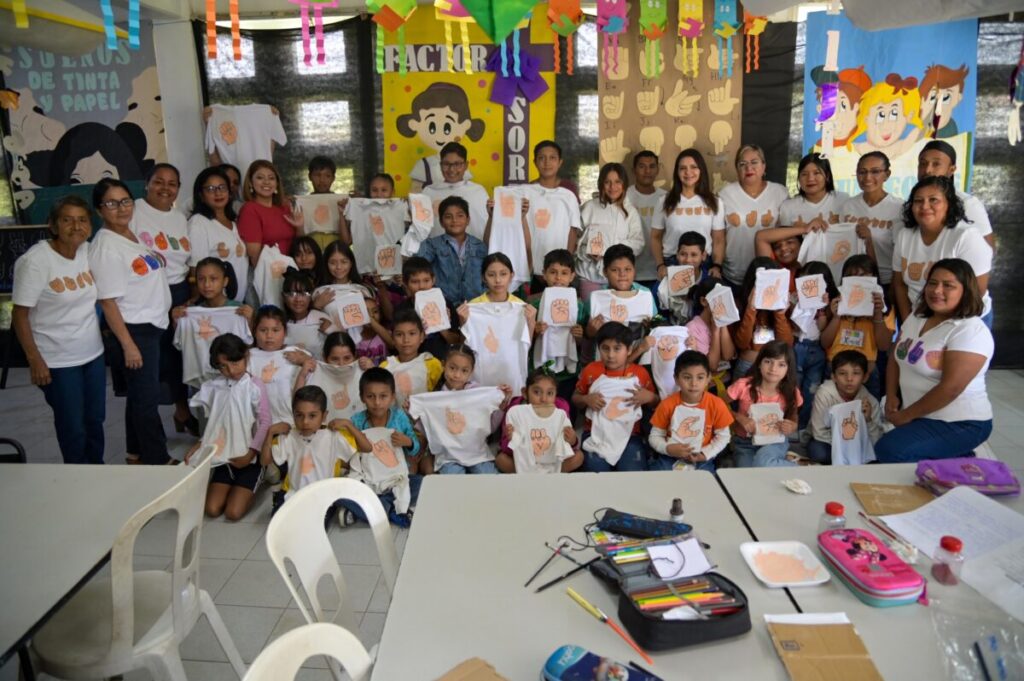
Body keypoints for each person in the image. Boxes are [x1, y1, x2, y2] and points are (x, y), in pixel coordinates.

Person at [12, 196, 105, 464]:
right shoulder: (36, 261)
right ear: (53, 225)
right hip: (58, 360)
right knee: (73, 427)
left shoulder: (87, 250)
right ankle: (77, 478)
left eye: (82, 220)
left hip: (92, 353)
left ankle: (97, 471)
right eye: (67, 220)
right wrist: (34, 359)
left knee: (95, 419)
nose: (76, 226)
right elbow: (20, 315)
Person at [89, 178, 173, 465]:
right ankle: (157, 460)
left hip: (149, 326)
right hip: (134, 331)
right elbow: (108, 301)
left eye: (125, 201)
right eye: (111, 203)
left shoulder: (128, 236)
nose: (121, 208)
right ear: (100, 209)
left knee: (139, 396)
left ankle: (135, 453)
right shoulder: (106, 247)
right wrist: (128, 345)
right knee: (147, 400)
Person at [877, 259, 993, 463]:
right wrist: (891, 395)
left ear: (965, 291)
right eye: (932, 283)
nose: (937, 290)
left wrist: (906, 416)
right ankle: (952, 457)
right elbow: (896, 357)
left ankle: (960, 459)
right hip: (922, 415)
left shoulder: (970, 330)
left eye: (948, 285)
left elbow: (951, 388)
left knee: (890, 449)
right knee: (887, 447)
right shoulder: (917, 317)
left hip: (960, 422)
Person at [130, 163, 193, 435]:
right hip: (146, 295)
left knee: (178, 358)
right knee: (149, 368)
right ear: (147, 183)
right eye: (159, 181)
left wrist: (190, 299)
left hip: (178, 292)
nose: (165, 188)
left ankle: (182, 411)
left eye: (172, 183)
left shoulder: (180, 218)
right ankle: (144, 434)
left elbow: (187, 261)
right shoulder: (133, 211)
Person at [185, 333, 271, 520]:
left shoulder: (255, 385)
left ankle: (259, 475)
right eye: (223, 366)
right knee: (213, 509)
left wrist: (251, 453)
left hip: (249, 458)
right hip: (225, 458)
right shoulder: (215, 386)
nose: (231, 371)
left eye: (235, 363)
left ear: (246, 357)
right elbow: (215, 422)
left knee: (233, 513)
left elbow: (265, 422)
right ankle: (226, 479)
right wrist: (200, 445)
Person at [892, 176, 992, 327]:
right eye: (918, 201)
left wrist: (938, 328)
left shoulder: (966, 237)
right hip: (918, 319)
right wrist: (908, 323)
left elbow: (977, 291)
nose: (925, 206)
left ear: (949, 204)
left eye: (933, 200)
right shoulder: (905, 235)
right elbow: (899, 284)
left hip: (963, 319)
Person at [263, 385, 363, 516]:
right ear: (292, 414)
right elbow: (265, 461)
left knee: (314, 525)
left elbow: (366, 448)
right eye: (299, 415)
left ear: (324, 415)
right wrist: (270, 433)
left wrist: (348, 425)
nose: (305, 422)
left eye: (312, 416)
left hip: (324, 494)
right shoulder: (289, 436)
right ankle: (279, 497)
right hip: (294, 492)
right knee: (279, 522)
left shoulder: (334, 436)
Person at [572, 322, 657, 472]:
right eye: (605, 348)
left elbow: (656, 404)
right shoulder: (591, 370)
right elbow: (575, 398)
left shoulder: (640, 374)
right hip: (595, 434)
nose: (610, 355)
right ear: (599, 348)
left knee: (632, 471)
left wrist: (650, 397)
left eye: (617, 349)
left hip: (630, 436)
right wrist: (586, 399)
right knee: (596, 470)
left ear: (629, 350)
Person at [344, 369, 420, 525]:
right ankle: (391, 509)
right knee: (344, 489)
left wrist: (408, 442)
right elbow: (350, 454)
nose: (377, 402)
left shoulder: (399, 417)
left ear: (392, 397)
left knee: (421, 483)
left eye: (383, 396)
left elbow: (416, 447)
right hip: (369, 478)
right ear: (362, 397)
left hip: (395, 478)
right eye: (370, 396)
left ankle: (375, 509)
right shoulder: (356, 421)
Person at [715, 144, 789, 289]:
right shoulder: (725, 194)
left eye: (754, 162)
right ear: (737, 169)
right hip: (733, 274)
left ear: (764, 166)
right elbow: (719, 237)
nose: (749, 168)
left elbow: (785, 233)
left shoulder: (780, 193)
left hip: (770, 272)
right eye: (742, 164)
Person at [649, 351, 734, 471]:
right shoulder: (667, 404)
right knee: (659, 481)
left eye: (700, 377)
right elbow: (655, 436)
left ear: (708, 378)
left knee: (705, 483)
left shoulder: (717, 404)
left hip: (701, 458)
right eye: (687, 377)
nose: (694, 383)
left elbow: (723, 436)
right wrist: (668, 448)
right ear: (676, 379)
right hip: (670, 456)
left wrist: (705, 454)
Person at [821, 255, 892, 391]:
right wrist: (836, 317)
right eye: (851, 277)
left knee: (868, 410)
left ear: (874, 278)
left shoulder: (882, 307)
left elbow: (884, 346)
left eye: (863, 276)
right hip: (835, 371)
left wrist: (877, 314)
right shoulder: (836, 303)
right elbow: (824, 343)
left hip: (866, 373)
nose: (857, 281)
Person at [727, 340, 802, 467]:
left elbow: (794, 416)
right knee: (747, 473)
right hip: (745, 442)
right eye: (768, 362)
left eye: (781, 365)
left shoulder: (791, 391)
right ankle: (781, 463)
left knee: (763, 462)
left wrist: (792, 426)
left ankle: (799, 469)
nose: (773, 369)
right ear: (759, 364)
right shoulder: (743, 385)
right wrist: (739, 418)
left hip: (775, 441)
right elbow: (718, 404)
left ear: (788, 369)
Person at [528, 249, 588, 407]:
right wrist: (535, 331)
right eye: (553, 272)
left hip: (567, 374)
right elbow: (524, 340)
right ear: (544, 274)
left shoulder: (578, 304)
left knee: (565, 410)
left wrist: (579, 334)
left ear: (572, 276)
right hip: (540, 371)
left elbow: (584, 341)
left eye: (564, 273)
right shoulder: (533, 303)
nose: (558, 278)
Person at [576, 163, 644, 302]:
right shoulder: (589, 208)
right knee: (594, 317)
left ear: (624, 183)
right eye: (607, 182)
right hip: (589, 276)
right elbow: (576, 243)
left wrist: (609, 251)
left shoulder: (630, 212)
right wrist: (588, 252)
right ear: (601, 184)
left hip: (620, 281)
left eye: (617, 182)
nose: (613, 187)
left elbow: (638, 243)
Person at [652, 149, 724, 279]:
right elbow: (655, 237)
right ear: (677, 172)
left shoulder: (715, 202)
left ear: (701, 170)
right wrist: (660, 265)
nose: (688, 172)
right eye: (683, 168)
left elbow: (719, 239)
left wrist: (717, 266)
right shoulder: (664, 201)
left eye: (693, 167)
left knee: (700, 299)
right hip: (672, 263)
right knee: (674, 300)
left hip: (704, 263)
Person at [521, 141, 582, 289]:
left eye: (552, 158)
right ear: (535, 162)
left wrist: (565, 263)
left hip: (559, 273)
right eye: (542, 158)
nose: (547, 162)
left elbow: (573, 231)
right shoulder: (525, 193)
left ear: (560, 162)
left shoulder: (568, 195)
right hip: (531, 268)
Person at [496, 370, 583, 473]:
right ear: (525, 392)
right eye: (537, 392)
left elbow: (570, 446)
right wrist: (511, 439)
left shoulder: (561, 409)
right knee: (501, 460)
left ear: (556, 395)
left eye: (550, 393)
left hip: (553, 461)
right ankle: (537, 473)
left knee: (579, 457)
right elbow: (505, 447)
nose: (543, 399)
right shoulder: (516, 410)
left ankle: (546, 472)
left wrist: (572, 440)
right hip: (523, 461)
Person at [839, 152, 905, 290]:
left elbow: (901, 252)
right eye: (862, 172)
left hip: (887, 282)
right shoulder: (848, 206)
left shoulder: (899, 208)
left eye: (875, 171)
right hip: (852, 280)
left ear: (887, 174)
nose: (868, 177)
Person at [808, 350, 882, 464]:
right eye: (842, 373)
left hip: (857, 446)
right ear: (833, 377)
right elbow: (819, 432)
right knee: (818, 452)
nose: (849, 379)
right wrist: (846, 447)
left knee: (879, 452)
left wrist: (868, 420)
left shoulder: (870, 401)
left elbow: (875, 439)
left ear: (865, 377)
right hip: (830, 443)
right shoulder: (824, 394)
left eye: (856, 373)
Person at [188, 167, 250, 304]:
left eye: (222, 187)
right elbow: (195, 269)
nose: (218, 193)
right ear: (201, 196)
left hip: (236, 303)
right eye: (210, 189)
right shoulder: (199, 223)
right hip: (215, 305)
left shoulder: (234, 222)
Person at [917, 140, 994, 248]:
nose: (927, 170)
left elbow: (988, 249)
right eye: (923, 163)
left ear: (951, 170)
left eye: (936, 164)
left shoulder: (967, 204)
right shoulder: (913, 203)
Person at [416, 196, 487, 305]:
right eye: (448, 216)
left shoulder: (480, 246)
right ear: (441, 222)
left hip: (476, 306)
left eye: (460, 216)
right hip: (443, 306)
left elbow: (488, 274)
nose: (454, 220)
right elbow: (419, 269)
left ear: (468, 220)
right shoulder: (431, 245)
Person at [732, 257, 795, 378]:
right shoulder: (740, 304)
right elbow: (742, 344)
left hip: (774, 370)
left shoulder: (782, 305)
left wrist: (779, 313)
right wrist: (751, 309)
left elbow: (786, 344)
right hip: (747, 365)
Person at [238, 159, 303, 267]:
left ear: (277, 183)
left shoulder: (285, 208)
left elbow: (299, 245)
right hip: (271, 274)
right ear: (250, 182)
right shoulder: (250, 209)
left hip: (293, 271)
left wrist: (300, 227)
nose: (266, 182)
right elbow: (254, 257)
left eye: (271, 178)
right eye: (260, 177)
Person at [395, 256, 461, 360]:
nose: (421, 286)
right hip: (414, 364)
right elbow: (397, 345)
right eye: (415, 282)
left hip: (442, 362)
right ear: (405, 283)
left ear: (433, 280)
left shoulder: (445, 304)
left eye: (426, 280)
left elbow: (455, 341)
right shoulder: (403, 310)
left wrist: (442, 326)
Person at [421, 142, 490, 240]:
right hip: (436, 253)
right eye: (446, 164)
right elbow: (421, 229)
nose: (452, 169)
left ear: (466, 165)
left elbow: (488, 225)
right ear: (440, 165)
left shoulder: (478, 191)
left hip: (474, 253)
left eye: (457, 164)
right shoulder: (428, 192)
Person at [460, 253, 537, 337]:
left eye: (503, 274)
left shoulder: (521, 307)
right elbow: (467, 344)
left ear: (511, 276)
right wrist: (463, 322)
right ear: (483, 278)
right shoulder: (473, 306)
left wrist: (531, 323)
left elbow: (525, 346)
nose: (498, 280)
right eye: (491, 275)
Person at [626, 150, 666, 285]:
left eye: (652, 166)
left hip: (660, 270)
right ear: (634, 170)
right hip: (630, 272)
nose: (647, 171)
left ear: (658, 169)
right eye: (642, 166)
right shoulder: (624, 197)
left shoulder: (666, 198)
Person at [683, 276, 737, 374]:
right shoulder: (692, 328)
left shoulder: (725, 321)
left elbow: (728, 356)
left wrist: (723, 324)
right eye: (719, 299)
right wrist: (715, 331)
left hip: (724, 379)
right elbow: (712, 366)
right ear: (704, 301)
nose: (723, 305)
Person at [656, 231, 708, 325]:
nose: (688, 260)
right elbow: (656, 311)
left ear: (703, 256)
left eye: (694, 255)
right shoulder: (668, 277)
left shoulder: (708, 281)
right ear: (677, 254)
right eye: (683, 254)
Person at [281, 269, 332, 358]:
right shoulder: (278, 323)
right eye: (292, 294)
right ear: (283, 296)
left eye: (304, 293)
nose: (298, 299)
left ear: (311, 296)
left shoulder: (321, 319)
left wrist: (330, 331)